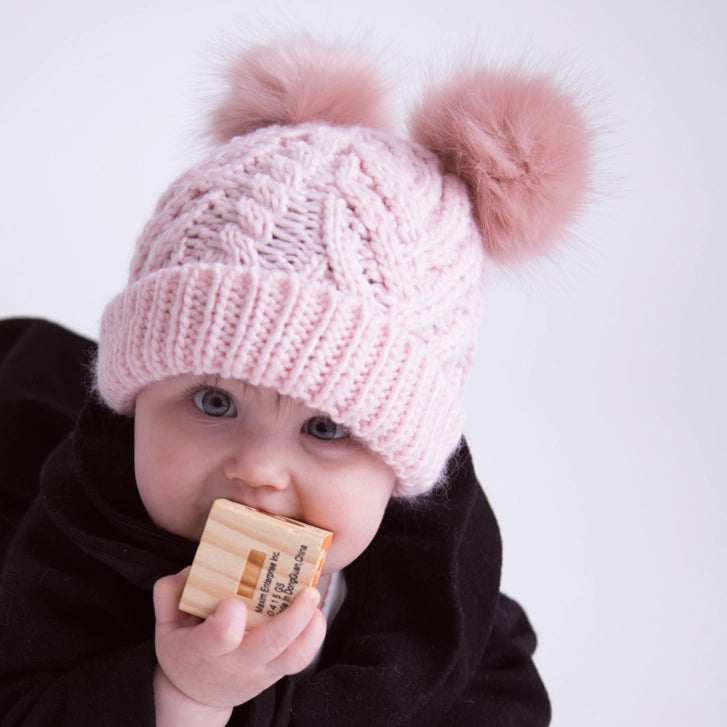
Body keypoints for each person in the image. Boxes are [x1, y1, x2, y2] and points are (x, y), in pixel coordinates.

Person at [0, 34, 592, 726]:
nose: (257, 469)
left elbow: (503, 699)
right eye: (213, 401)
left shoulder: (433, 595)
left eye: (326, 427)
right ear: (135, 403)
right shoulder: (73, 532)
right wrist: (183, 693)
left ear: (399, 466)